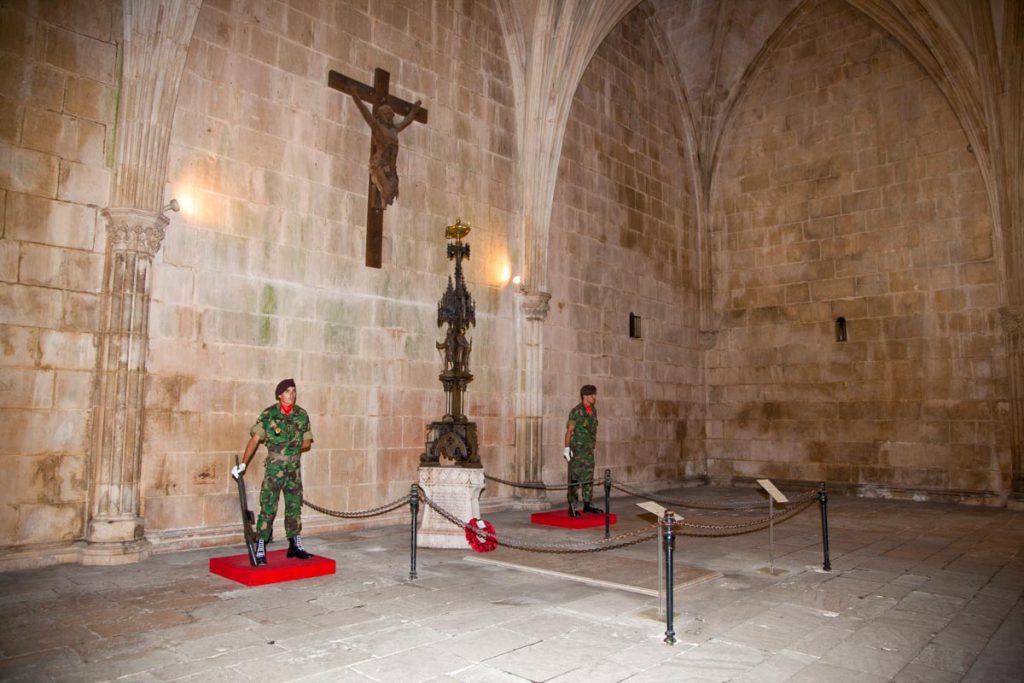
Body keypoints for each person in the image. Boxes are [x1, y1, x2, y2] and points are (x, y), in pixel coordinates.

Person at [231, 378, 314, 563]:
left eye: (293, 391)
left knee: (294, 507)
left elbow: (307, 441)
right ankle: (261, 544)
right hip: (275, 469)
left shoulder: (302, 414)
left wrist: (291, 446)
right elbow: (255, 439)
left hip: (293, 469)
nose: (291, 395)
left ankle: (295, 544)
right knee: (268, 507)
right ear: (279, 395)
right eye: (287, 391)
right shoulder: (269, 415)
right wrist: (243, 464)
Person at [350, 96, 421, 208]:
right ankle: (381, 197)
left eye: (390, 114)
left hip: (391, 169)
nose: (389, 116)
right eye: (386, 114)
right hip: (380, 164)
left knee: (391, 193)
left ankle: (383, 199)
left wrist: (414, 110)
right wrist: (355, 95)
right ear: (380, 115)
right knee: (387, 191)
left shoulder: (394, 129)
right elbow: (364, 111)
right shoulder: (377, 126)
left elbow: (406, 121)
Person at [564, 384, 602, 517]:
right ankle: (572, 506)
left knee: (588, 477)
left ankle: (587, 504)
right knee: (574, 478)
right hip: (577, 451)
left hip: (588, 450)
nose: (595, 397)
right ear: (585, 396)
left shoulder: (593, 411)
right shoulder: (576, 411)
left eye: (595, 394)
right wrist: (567, 448)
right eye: (592, 395)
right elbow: (569, 431)